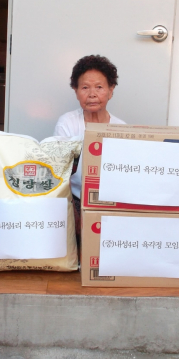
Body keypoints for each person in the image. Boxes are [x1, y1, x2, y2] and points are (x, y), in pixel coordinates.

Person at [54, 55, 126, 231]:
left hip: (110, 201)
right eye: (85, 87)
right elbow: (60, 174)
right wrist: (74, 214)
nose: (92, 94)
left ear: (111, 90)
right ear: (76, 91)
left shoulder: (121, 128)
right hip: (74, 199)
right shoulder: (67, 123)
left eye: (99, 87)